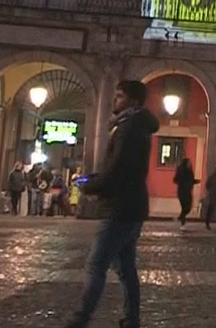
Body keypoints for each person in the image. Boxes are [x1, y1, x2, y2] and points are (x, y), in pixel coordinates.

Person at [66, 79, 159, 328]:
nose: (115, 100)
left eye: (119, 96)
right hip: (131, 206)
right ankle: (132, 319)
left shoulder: (128, 128)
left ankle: (80, 319)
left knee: (96, 265)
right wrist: (95, 179)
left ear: (134, 101)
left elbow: (119, 170)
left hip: (120, 207)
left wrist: (90, 186)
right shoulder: (134, 125)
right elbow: (120, 168)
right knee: (126, 269)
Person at [174, 158, 199, 230]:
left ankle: (181, 219)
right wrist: (183, 182)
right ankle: (182, 222)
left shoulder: (190, 172)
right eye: (189, 163)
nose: (190, 164)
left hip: (188, 192)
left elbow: (191, 180)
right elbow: (175, 180)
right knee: (185, 208)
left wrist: (195, 181)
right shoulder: (181, 171)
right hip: (182, 192)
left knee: (187, 208)